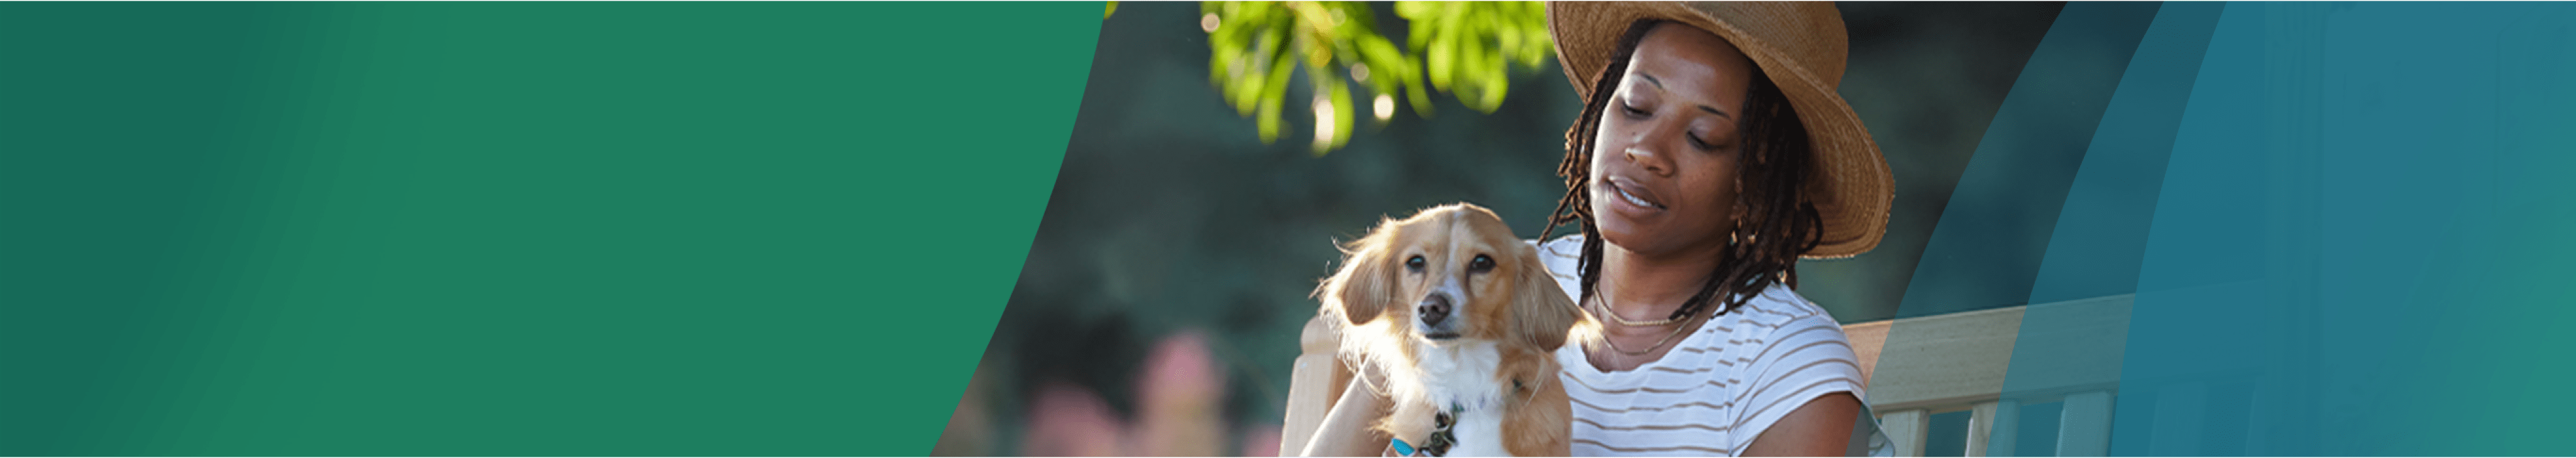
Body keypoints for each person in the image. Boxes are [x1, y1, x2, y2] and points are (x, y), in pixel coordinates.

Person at [1298, 2, 1895, 456]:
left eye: (1703, 137)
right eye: (1635, 106)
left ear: (1754, 184)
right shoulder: (1489, 279)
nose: (1647, 150)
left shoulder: (1786, 363)